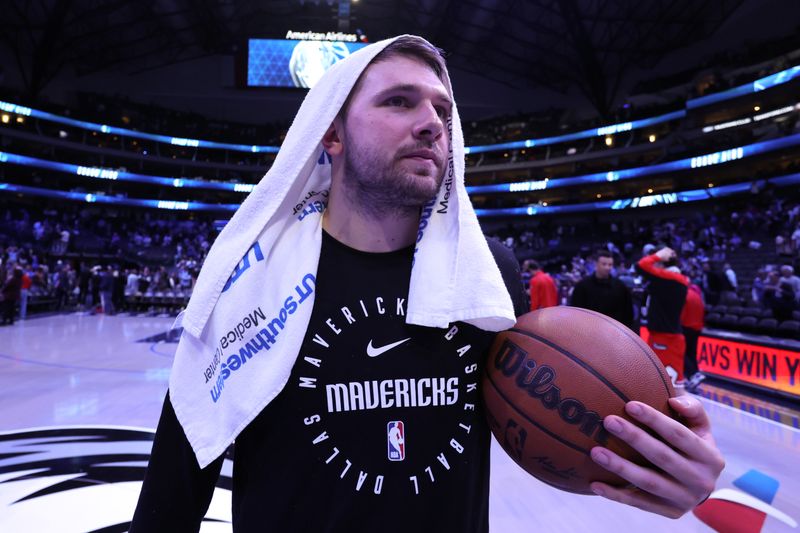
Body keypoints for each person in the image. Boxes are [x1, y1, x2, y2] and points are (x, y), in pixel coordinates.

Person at [131, 36, 723, 533]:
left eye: (442, 110)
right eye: (398, 102)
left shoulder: (491, 271)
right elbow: (176, 483)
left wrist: (662, 463)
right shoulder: (250, 276)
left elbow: (553, 416)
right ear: (330, 134)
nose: (432, 125)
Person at [637, 247, 690, 386]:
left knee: (670, 386)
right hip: (662, 336)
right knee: (657, 383)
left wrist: (658, 255)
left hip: (667, 339)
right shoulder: (670, 279)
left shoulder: (672, 278)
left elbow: (642, 265)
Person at [569, 250, 633, 328]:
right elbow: (575, 312)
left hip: (613, 332)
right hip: (588, 330)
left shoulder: (620, 287)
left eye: (610, 265)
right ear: (596, 264)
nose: (607, 267)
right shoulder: (582, 286)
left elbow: (628, 314)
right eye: (604, 264)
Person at [681, 283, 706, 391]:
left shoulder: (685, 295)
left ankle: (693, 374)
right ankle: (695, 375)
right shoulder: (697, 296)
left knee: (682, 353)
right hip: (697, 328)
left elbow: (682, 313)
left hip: (686, 327)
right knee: (691, 353)